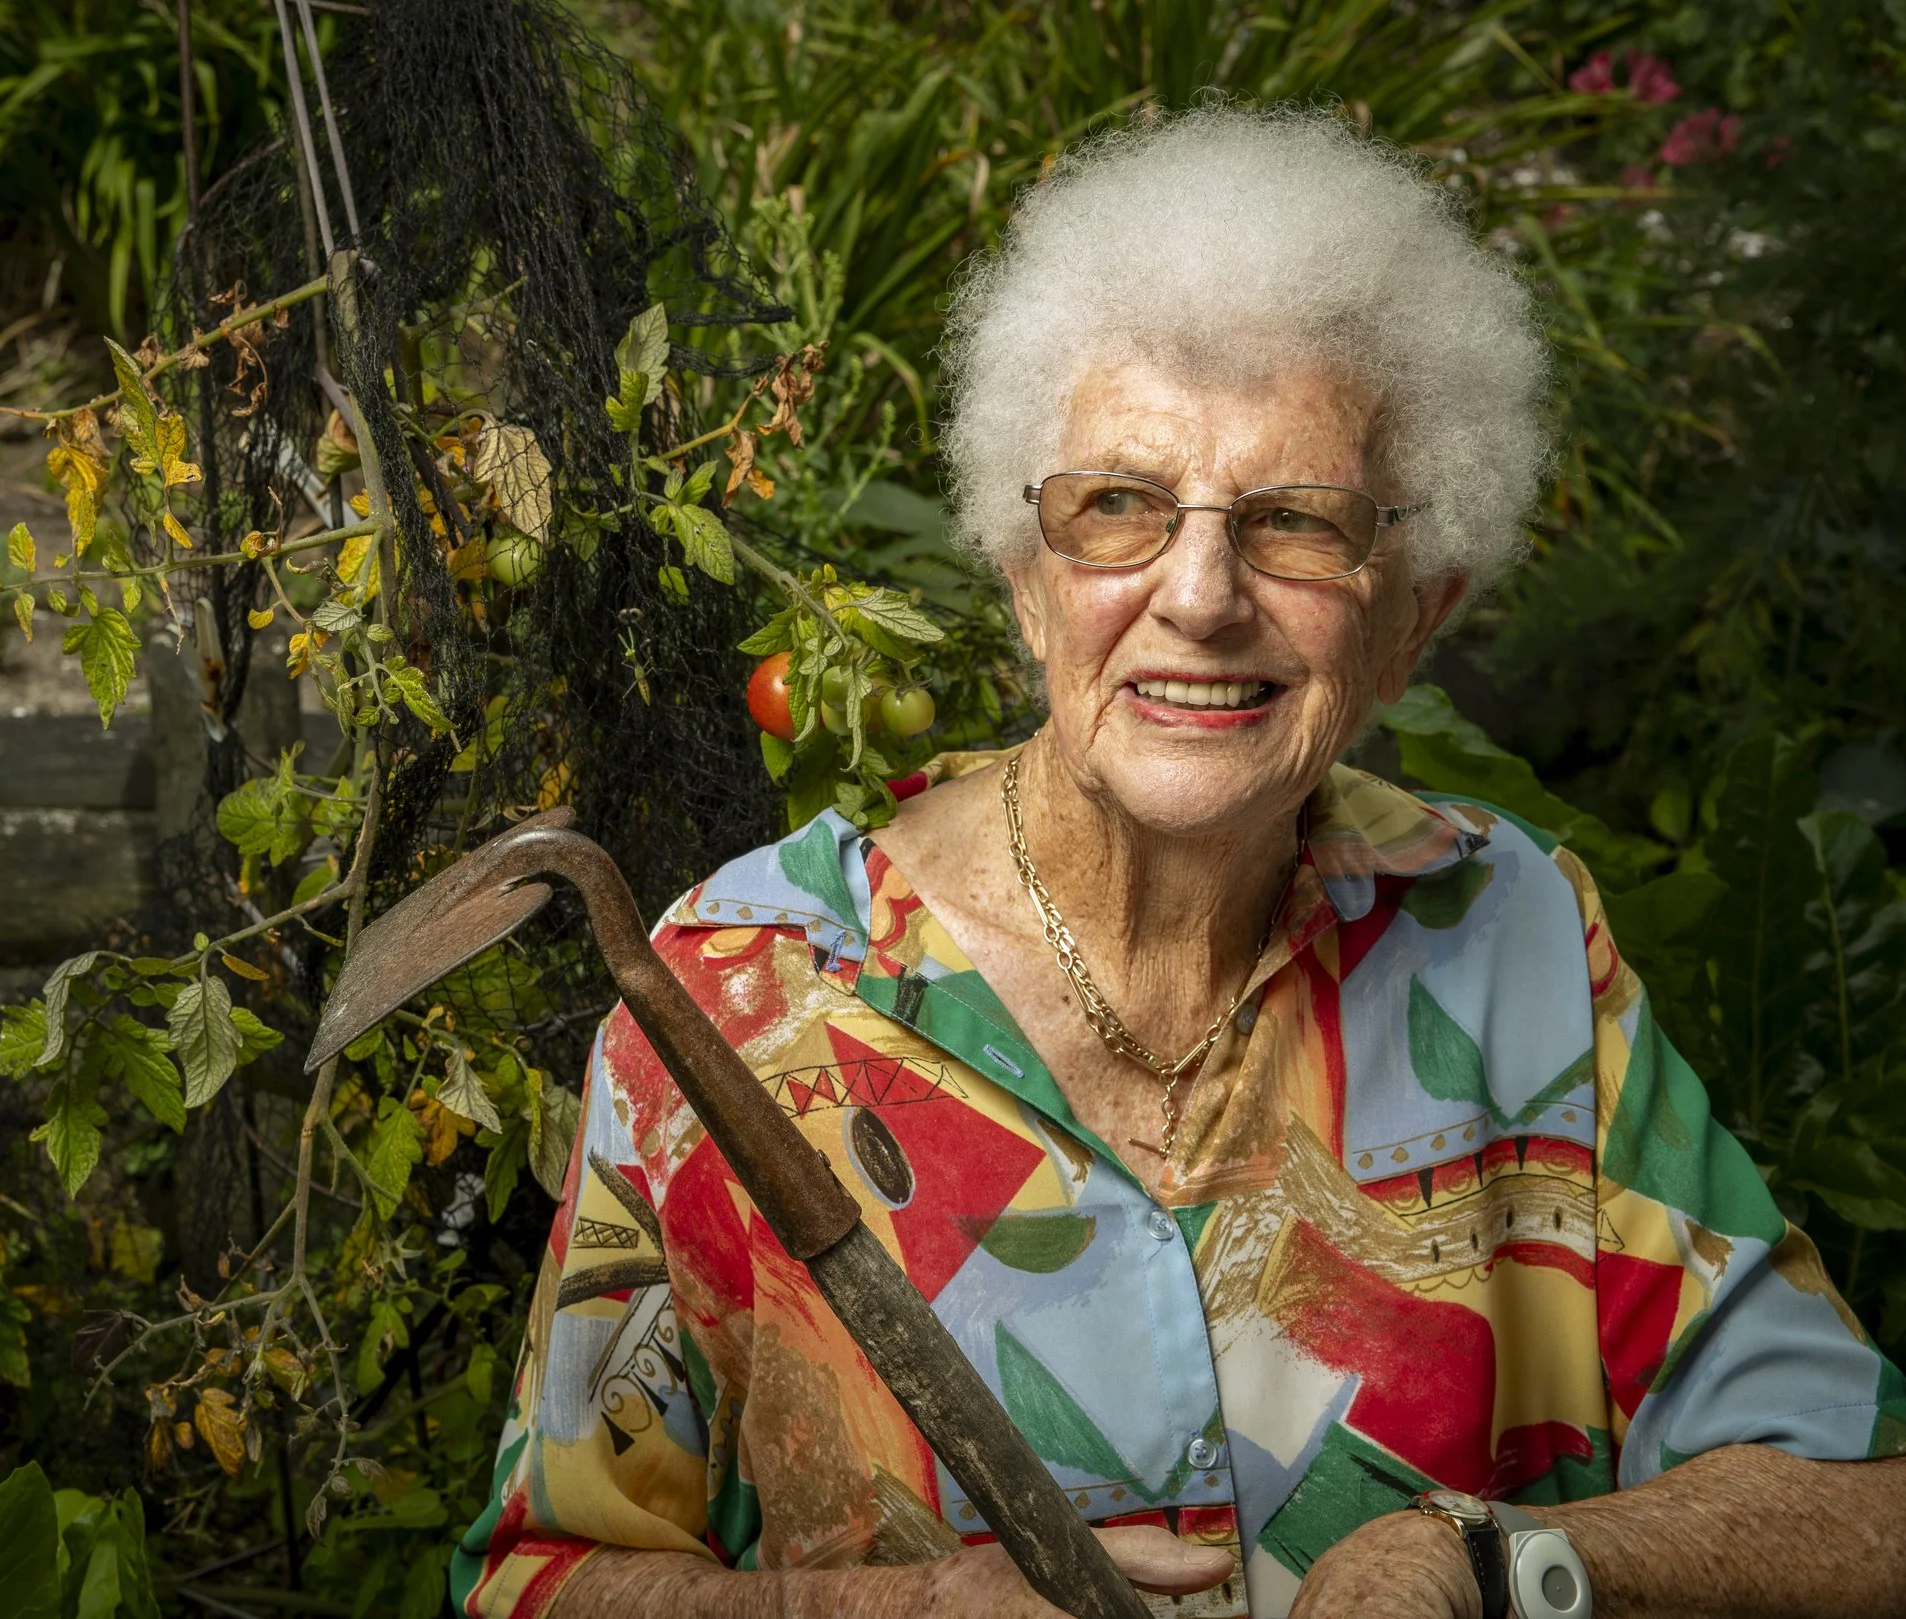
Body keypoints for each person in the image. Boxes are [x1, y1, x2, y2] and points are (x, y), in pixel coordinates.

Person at [450, 107, 1906, 1619]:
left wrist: (1503, 1562)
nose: (1199, 595)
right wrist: (887, 1610)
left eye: (1295, 523)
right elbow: (534, 1584)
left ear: (1413, 611)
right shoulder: (735, 994)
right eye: (1120, 508)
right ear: (1023, 576)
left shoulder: (1516, 937)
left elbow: (1868, 1510)